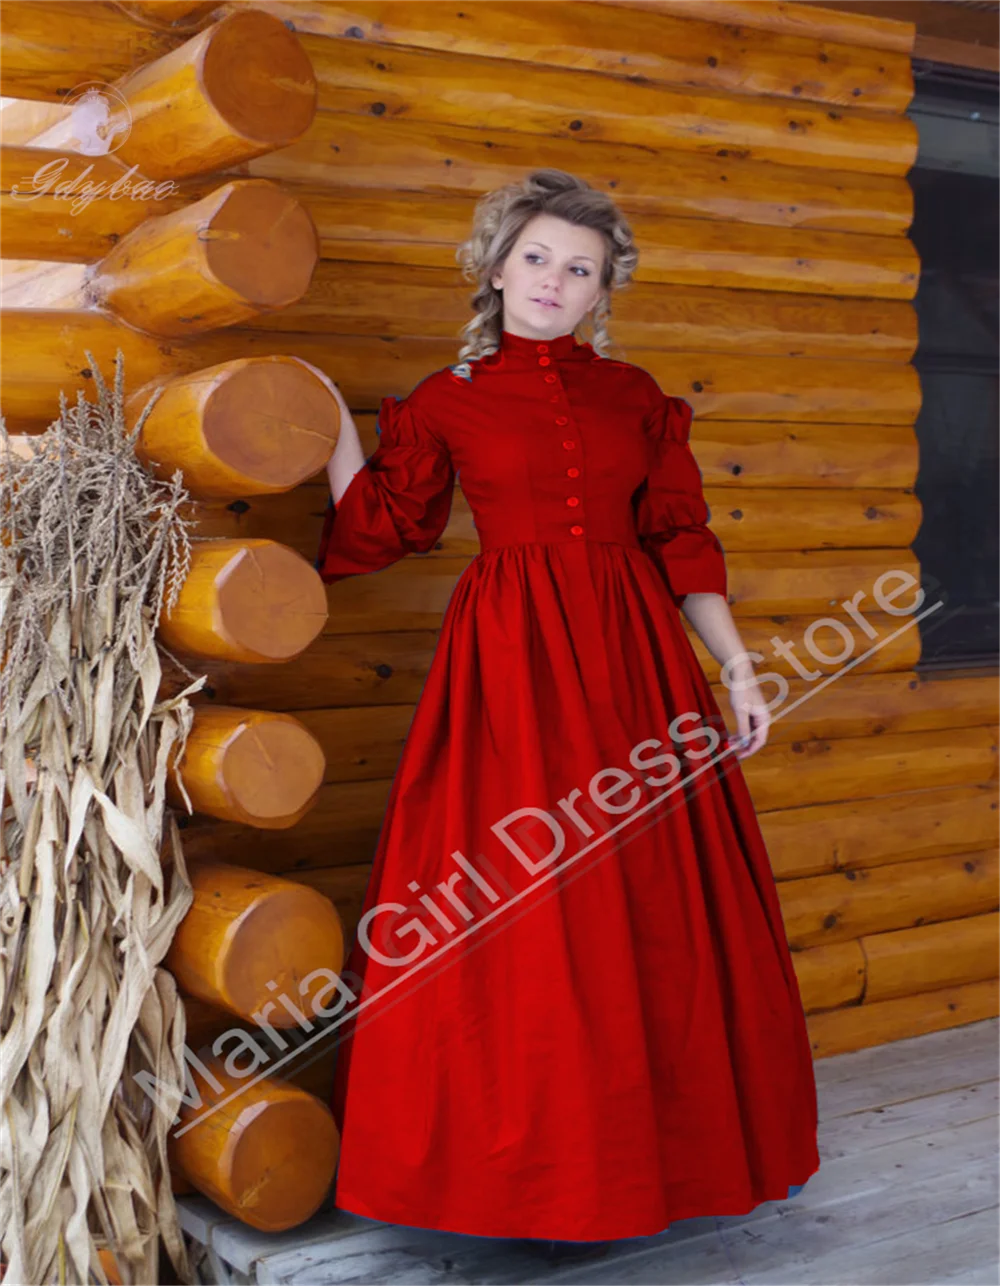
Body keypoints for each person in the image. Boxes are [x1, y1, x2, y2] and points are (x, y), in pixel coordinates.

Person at [314, 168, 820, 1264]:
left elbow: (681, 544)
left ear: (603, 290)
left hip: (641, 668)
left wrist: (734, 666)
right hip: (509, 677)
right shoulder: (446, 401)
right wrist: (321, 427)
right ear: (497, 268)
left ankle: (657, 1164)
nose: (553, 280)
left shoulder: (636, 396)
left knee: (651, 908)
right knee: (530, 907)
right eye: (536, 258)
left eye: (578, 268)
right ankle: (525, 1181)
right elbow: (383, 525)